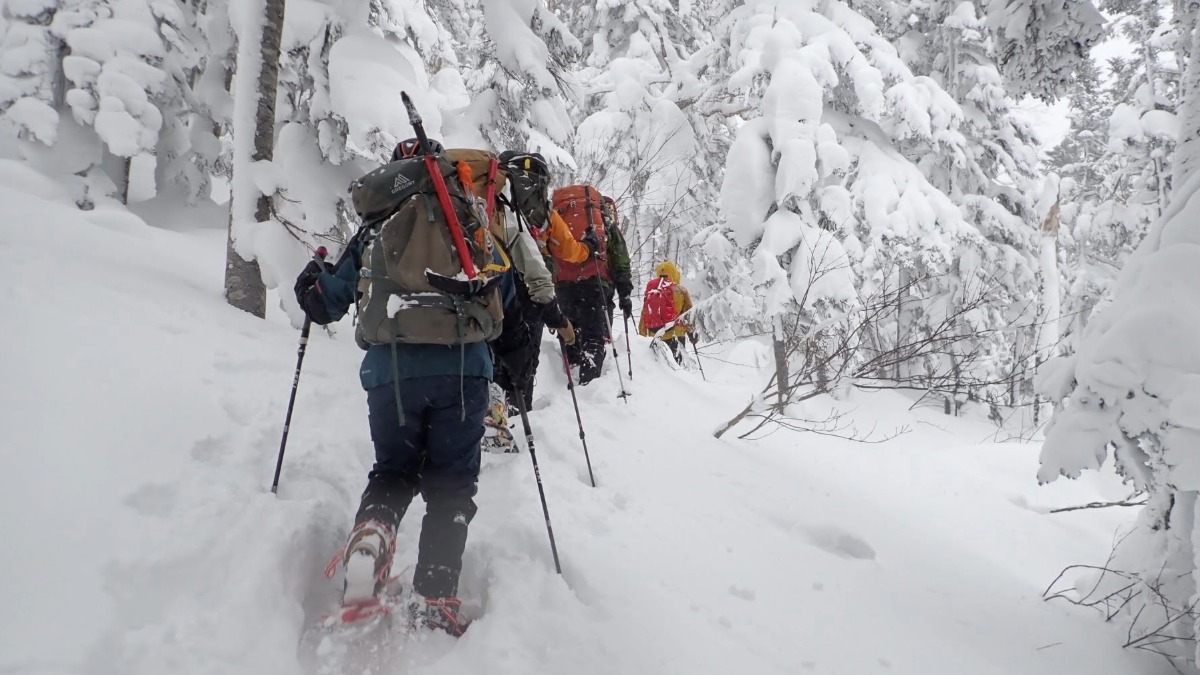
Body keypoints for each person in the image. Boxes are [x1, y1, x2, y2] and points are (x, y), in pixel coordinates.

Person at [293, 138, 486, 637]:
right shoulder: (468, 219)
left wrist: (312, 281)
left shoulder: (374, 226)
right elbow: (501, 294)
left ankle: (371, 539)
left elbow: (326, 303)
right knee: (451, 484)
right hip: (464, 369)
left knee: (394, 472)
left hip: (392, 371)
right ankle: (435, 597)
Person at [550, 187, 634, 385]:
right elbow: (619, 256)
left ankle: (571, 372)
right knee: (593, 337)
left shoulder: (559, 216)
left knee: (570, 333)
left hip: (564, 285)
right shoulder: (603, 220)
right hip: (595, 283)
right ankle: (589, 384)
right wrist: (624, 291)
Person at [638, 260, 695, 365]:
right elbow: (689, 315)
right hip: (675, 336)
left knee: (660, 369)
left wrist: (642, 336)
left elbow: (644, 315)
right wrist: (693, 335)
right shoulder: (680, 290)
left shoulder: (652, 291)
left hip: (655, 338)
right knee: (676, 368)